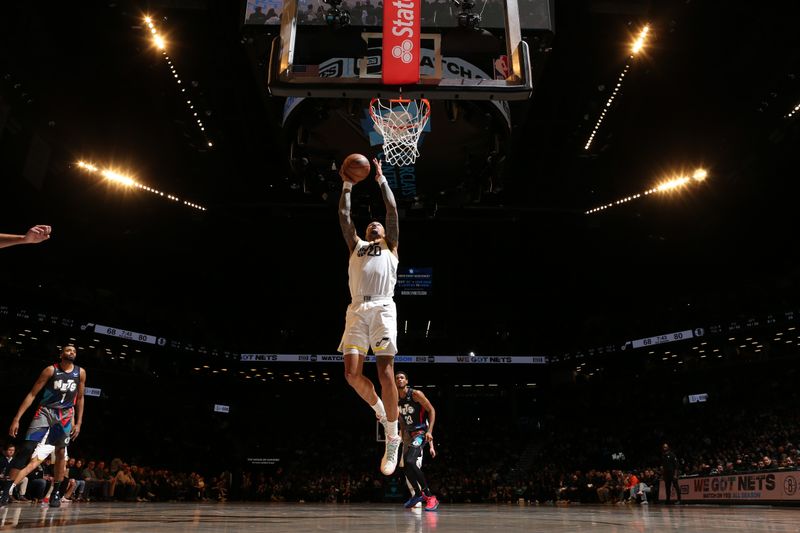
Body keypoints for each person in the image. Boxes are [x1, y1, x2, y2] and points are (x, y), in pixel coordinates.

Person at [337, 157, 402, 476]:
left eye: (378, 224)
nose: (375, 223)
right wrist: (347, 183)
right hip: (356, 308)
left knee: (385, 373)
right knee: (351, 374)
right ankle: (379, 410)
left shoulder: (391, 245)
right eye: (371, 224)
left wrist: (381, 180)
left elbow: (391, 211)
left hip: (383, 307)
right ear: (365, 231)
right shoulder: (357, 246)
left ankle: (393, 437)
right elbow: (344, 215)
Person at [0, 345, 86, 508]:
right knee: (27, 448)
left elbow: (80, 398)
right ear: (61, 354)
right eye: (68, 350)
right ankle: (5, 492)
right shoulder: (50, 370)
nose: (72, 353)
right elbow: (32, 394)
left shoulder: (80, 372)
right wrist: (17, 418)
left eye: (74, 351)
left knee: (60, 452)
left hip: (65, 415)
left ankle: (56, 493)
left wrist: (79, 422)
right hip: (46, 411)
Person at [395, 371, 439, 511]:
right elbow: (401, 420)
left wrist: (430, 431)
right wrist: (401, 435)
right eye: (397, 378)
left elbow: (431, 410)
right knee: (406, 467)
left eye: (402, 378)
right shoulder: (396, 399)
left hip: (420, 432)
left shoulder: (415, 394)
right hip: (409, 434)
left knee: (410, 462)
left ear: (407, 381)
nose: (399, 380)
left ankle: (430, 496)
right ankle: (417, 495)